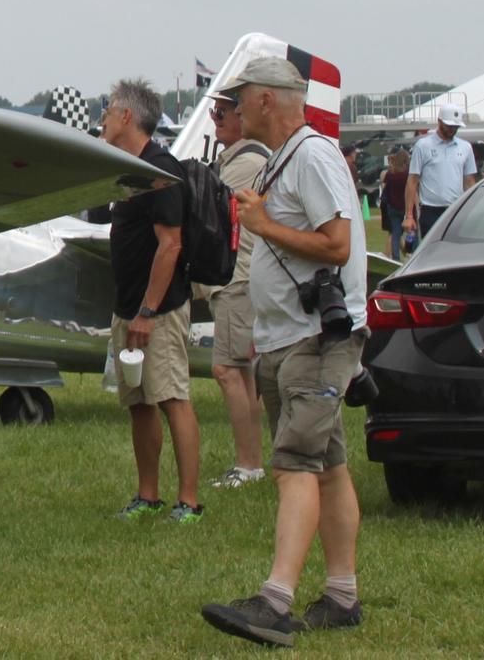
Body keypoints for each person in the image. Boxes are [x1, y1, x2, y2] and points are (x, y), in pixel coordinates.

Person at [201, 57, 369, 646]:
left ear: (267, 100)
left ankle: (275, 602)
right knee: (327, 465)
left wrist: (264, 224)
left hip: (313, 340)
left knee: (294, 462)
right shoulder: (285, 160)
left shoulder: (313, 156)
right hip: (289, 339)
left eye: (239, 100)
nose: (233, 111)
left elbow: (337, 244)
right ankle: (342, 596)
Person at [97, 78, 202, 523]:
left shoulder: (160, 170)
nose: (101, 118)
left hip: (156, 310)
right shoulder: (126, 167)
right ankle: (148, 494)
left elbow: (171, 246)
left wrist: (147, 312)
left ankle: (190, 501)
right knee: (139, 402)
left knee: (172, 397)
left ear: (126, 116)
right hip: (128, 308)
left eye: (107, 111)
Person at [197, 91, 270, 490]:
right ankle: (252, 462)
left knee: (228, 370)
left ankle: (248, 465)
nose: (215, 117)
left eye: (223, 112)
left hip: (237, 277)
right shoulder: (237, 159)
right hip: (237, 277)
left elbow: (206, 206)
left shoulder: (246, 163)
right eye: (213, 111)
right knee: (240, 371)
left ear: (243, 117)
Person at [404, 104, 477, 237]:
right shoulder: (423, 146)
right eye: (449, 126)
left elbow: (469, 181)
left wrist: (471, 209)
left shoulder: (465, 147)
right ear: (439, 121)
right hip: (430, 211)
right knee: (431, 253)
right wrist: (409, 215)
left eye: (455, 126)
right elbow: (413, 180)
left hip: (456, 209)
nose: (452, 129)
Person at [378, 147, 409, 260]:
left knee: (395, 233)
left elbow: (385, 187)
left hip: (392, 207)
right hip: (405, 206)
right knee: (411, 233)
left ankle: (395, 256)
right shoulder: (407, 175)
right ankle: (411, 253)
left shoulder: (390, 175)